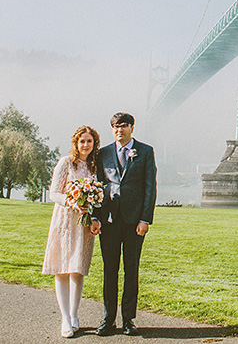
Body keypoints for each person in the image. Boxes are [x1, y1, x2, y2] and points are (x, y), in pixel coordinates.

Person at [90, 112, 157, 337]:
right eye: (116, 127)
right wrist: (96, 217)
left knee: (131, 270)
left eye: (124, 126)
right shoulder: (103, 153)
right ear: (112, 130)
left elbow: (150, 188)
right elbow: (98, 186)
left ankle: (129, 319)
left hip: (134, 222)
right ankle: (109, 320)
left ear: (132, 128)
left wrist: (145, 219)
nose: (120, 130)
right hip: (108, 221)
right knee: (110, 271)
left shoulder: (146, 152)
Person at [42, 125, 102, 338]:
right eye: (82, 141)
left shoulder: (94, 167)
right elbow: (54, 193)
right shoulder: (66, 163)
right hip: (64, 220)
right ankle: (65, 318)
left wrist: (94, 217)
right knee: (62, 268)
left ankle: (75, 314)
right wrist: (72, 202)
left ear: (94, 144)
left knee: (77, 268)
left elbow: (98, 199)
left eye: (90, 141)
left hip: (84, 223)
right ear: (76, 143)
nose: (86, 145)